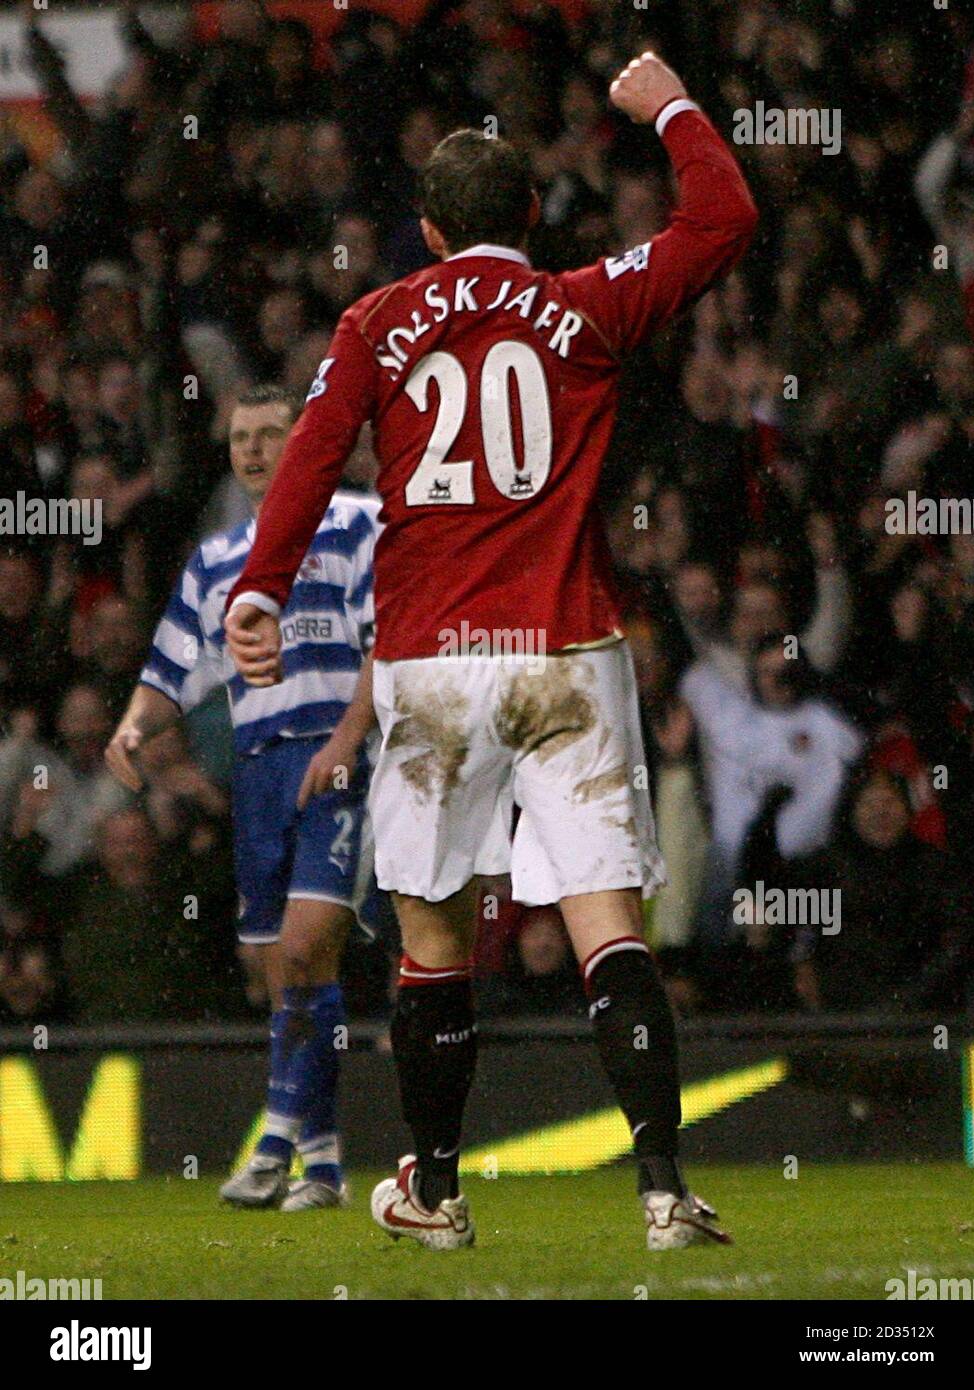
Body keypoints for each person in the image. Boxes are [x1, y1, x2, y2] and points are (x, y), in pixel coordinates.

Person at [224, 54, 758, 1251]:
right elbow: (726, 216)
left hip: (431, 658)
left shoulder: (375, 320)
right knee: (606, 919)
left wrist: (260, 588)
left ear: (426, 229)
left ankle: (438, 1191)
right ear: (530, 217)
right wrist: (666, 102)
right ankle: (664, 1186)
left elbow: (309, 458)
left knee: (435, 938)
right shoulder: (587, 302)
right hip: (568, 643)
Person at [105, 384, 380, 1212]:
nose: (255, 451)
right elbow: (171, 670)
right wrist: (130, 729)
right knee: (283, 973)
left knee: (303, 950)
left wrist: (349, 743)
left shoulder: (360, 524)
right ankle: (323, 1165)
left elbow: (390, 642)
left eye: (270, 434)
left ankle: (270, 1145)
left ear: (305, 441)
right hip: (258, 772)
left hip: (337, 759)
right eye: (239, 438)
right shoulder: (218, 559)